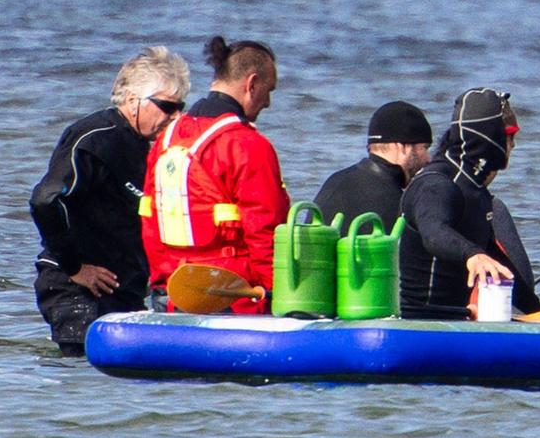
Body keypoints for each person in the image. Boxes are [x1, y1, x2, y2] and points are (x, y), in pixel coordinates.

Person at [29, 47, 191, 352]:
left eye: (180, 107)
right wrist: (75, 268)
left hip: (122, 289)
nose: (176, 116)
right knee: (83, 370)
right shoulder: (94, 137)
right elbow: (45, 200)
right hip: (76, 288)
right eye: (167, 106)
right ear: (132, 100)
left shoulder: (147, 147)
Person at [141, 36, 290, 305]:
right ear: (252, 84)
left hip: (174, 290)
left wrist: (162, 285)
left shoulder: (166, 139)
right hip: (235, 295)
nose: (268, 102)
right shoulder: (248, 145)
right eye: (269, 90)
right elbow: (264, 230)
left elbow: (150, 222)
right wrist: (274, 294)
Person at [399, 87, 540, 319]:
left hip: (458, 317)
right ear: (490, 136)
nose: (513, 145)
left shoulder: (475, 190)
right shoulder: (437, 183)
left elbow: (496, 261)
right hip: (421, 321)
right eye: (510, 136)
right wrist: (472, 254)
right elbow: (434, 233)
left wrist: (538, 311)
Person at [312, 101, 432, 228]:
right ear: (402, 147)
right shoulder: (397, 205)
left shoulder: (335, 181)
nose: (429, 159)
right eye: (425, 148)